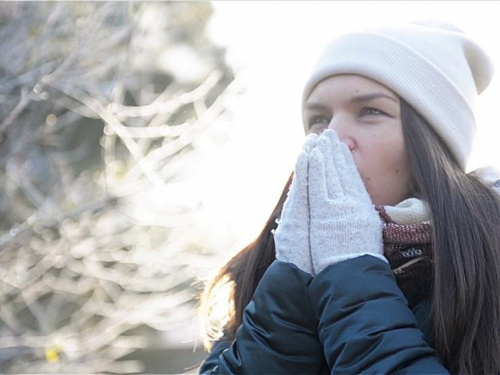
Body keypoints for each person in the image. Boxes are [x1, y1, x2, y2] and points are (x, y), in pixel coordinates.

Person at [199, 20, 500, 374]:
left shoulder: (489, 261)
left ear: (432, 144)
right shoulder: (265, 266)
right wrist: (290, 290)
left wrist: (350, 270)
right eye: (319, 118)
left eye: (369, 112)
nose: (333, 136)